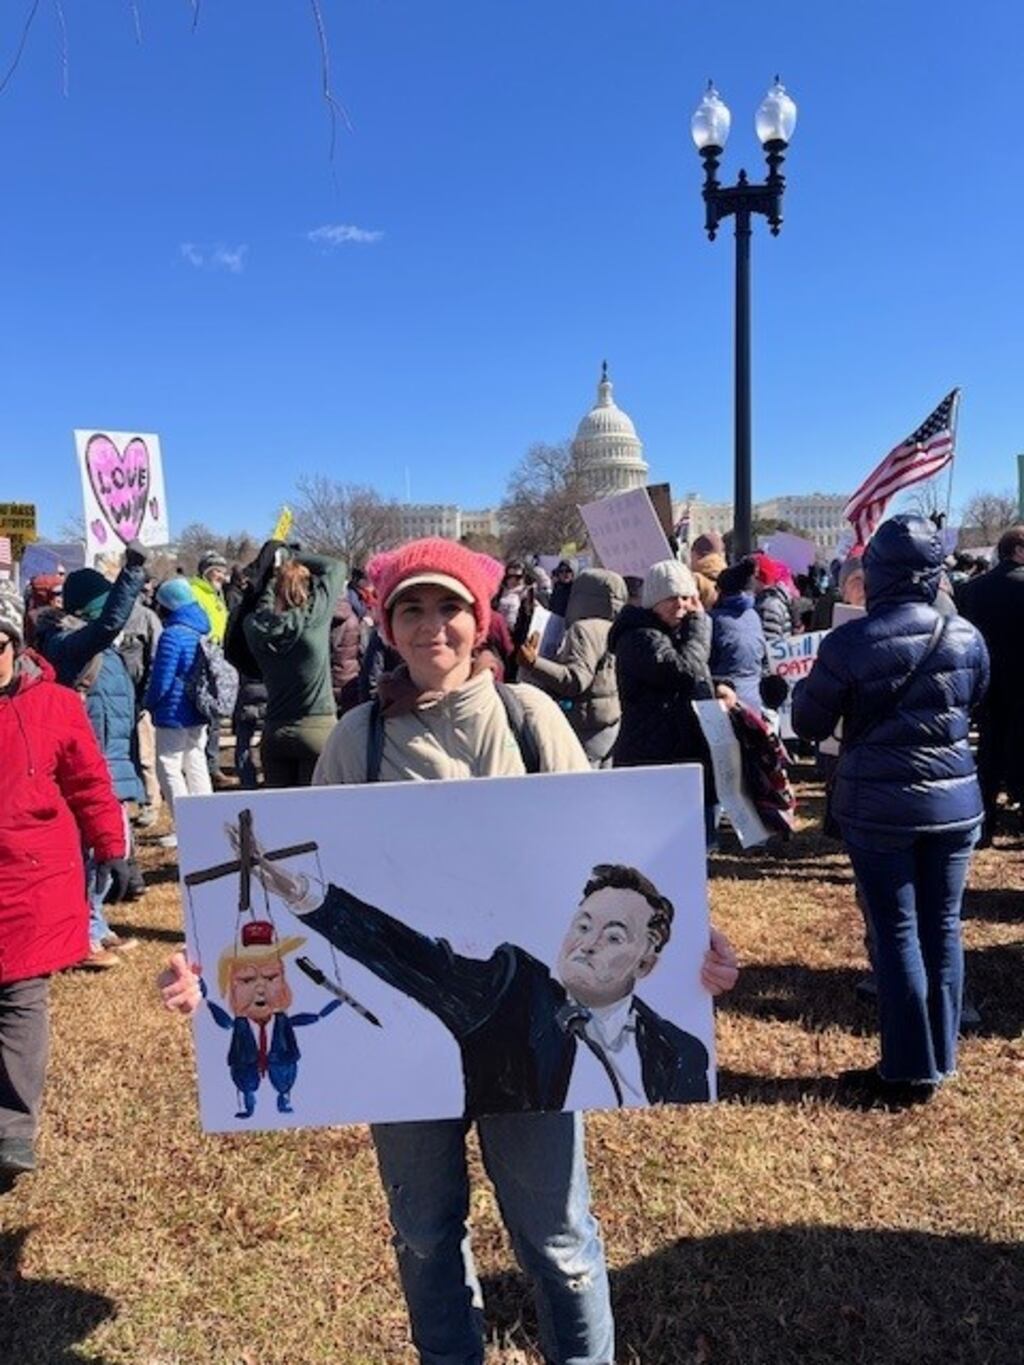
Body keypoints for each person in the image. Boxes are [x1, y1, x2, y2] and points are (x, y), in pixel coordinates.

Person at [162, 535, 738, 1365]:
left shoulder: (533, 719)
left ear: (482, 620)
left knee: (559, 1239)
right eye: (412, 609)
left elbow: (612, 857)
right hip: (399, 1042)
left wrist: (691, 953)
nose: (432, 626)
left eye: (450, 608)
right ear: (386, 624)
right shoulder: (355, 740)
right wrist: (206, 967)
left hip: (528, 1021)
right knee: (427, 1236)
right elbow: (308, 896)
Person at [224, 857, 710, 1113]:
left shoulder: (683, 1051)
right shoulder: (513, 990)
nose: (587, 943)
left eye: (614, 935)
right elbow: (414, 957)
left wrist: (707, 965)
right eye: (582, 925)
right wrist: (312, 899)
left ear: (647, 962)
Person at [792, 515, 989, 1108]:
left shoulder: (850, 641)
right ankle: (941, 1055)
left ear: (874, 573)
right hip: (954, 804)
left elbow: (809, 723)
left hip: (880, 806)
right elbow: (975, 701)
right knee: (943, 925)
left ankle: (908, 1069)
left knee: (898, 930)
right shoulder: (966, 637)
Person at [0, 590, 129, 1184]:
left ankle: (12, 1129)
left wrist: (112, 843)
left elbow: (88, 781)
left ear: (15, 645)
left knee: (21, 1000)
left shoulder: (55, 704)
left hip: (30, 877)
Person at [35, 543, 148, 961]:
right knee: (85, 852)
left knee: (106, 849)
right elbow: (108, 623)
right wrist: (131, 574)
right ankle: (82, 934)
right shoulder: (65, 642)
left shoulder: (106, 650)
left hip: (112, 761)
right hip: (87, 764)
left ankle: (96, 923)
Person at [610, 561, 721, 844]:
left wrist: (721, 687)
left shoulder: (672, 634)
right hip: (655, 757)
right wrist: (701, 624)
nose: (681, 605)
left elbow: (692, 672)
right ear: (654, 601)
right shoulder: (640, 637)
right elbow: (682, 671)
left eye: (686, 597)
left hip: (680, 752)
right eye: (672, 598)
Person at [243, 552, 345, 788]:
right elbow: (336, 567)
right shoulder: (312, 623)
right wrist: (295, 555)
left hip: (274, 731)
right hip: (317, 729)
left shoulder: (255, 628)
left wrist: (272, 574)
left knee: (281, 820)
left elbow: (264, 607)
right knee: (318, 817)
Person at [518, 568, 627, 767]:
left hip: (586, 727)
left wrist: (534, 663)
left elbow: (576, 680)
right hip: (609, 722)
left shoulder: (583, 629)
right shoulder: (616, 626)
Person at [959, 525, 1024, 846]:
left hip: (986, 683)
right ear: (1019, 551)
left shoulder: (973, 589)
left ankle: (984, 824)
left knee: (988, 754)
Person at [146, 579, 214, 847]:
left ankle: (185, 827)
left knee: (169, 765)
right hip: (198, 708)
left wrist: (149, 703)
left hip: (174, 711)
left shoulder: (173, 634)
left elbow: (162, 679)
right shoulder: (201, 628)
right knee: (195, 761)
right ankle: (207, 819)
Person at [709, 557, 769, 715]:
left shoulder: (712, 620)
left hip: (725, 703)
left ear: (721, 591)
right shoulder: (754, 616)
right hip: (754, 704)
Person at [190, 550, 230, 785]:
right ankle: (203, 768)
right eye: (216, 569)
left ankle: (212, 766)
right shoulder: (195, 592)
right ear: (205, 571)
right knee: (204, 717)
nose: (221, 574)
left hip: (219, 659)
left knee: (215, 717)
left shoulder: (218, 595)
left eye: (223, 570)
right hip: (202, 659)